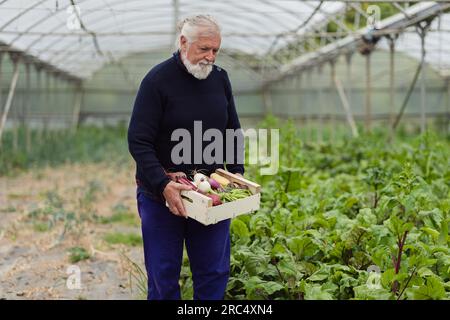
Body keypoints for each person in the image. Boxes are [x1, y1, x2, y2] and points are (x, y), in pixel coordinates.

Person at [127, 14, 245, 300]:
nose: (210, 56)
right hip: (162, 194)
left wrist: (236, 172)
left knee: (213, 272)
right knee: (163, 276)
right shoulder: (157, 80)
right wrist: (163, 185)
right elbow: (138, 140)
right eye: (204, 49)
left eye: (215, 50)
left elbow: (232, 129)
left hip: (209, 193)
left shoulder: (220, 79)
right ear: (183, 42)